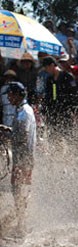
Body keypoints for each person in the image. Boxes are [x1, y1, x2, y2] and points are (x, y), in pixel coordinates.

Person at [0, 82, 36, 237]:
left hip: (23, 158)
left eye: (10, 95)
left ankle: (22, 226)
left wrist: (7, 135)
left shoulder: (23, 113)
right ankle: (21, 224)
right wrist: (8, 129)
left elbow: (22, 137)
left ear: (17, 95)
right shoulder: (24, 110)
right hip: (24, 157)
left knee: (18, 191)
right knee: (18, 190)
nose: (9, 98)